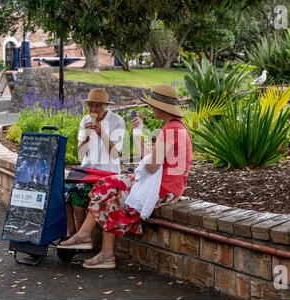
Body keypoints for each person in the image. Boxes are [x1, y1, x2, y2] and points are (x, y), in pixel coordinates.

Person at [58, 85, 193, 269]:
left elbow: (152, 166)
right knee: (107, 186)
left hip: (163, 188)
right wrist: (138, 133)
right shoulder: (174, 127)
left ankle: (93, 243)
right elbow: (150, 159)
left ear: (161, 107)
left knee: (107, 188)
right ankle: (98, 246)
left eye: (153, 105)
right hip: (162, 183)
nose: (151, 109)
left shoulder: (171, 130)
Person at [65, 88, 125, 237]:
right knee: (64, 189)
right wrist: (86, 137)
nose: (93, 109)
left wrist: (101, 133)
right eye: (90, 105)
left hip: (107, 172)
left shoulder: (116, 121)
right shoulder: (85, 120)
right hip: (87, 170)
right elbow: (80, 153)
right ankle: (72, 234)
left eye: (97, 106)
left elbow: (116, 154)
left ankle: (81, 237)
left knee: (78, 191)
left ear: (105, 106)